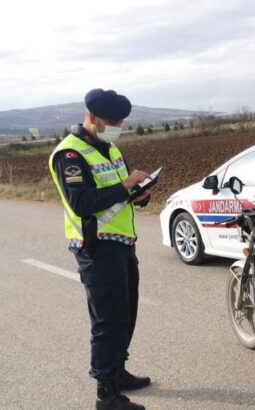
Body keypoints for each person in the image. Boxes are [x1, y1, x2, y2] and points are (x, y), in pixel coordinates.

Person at [48, 89, 152, 410]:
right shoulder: (70, 154)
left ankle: (117, 371)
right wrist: (123, 187)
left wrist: (140, 193)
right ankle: (106, 395)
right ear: (92, 118)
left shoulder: (110, 148)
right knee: (108, 319)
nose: (117, 127)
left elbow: (121, 190)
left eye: (121, 122)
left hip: (122, 242)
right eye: (112, 122)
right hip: (94, 246)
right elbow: (81, 202)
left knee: (127, 312)